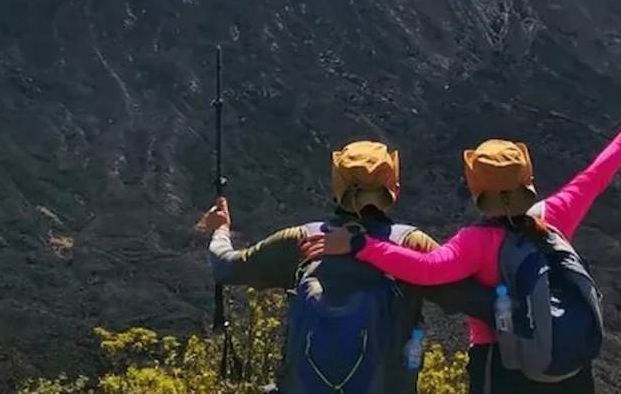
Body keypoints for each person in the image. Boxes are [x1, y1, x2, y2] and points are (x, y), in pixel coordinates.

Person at [301, 82, 621, 394]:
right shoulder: (553, 218)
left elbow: (426, 269)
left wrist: (358, 245)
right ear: (527, 179)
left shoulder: (475, 243)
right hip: (567, 364)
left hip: (501, 365)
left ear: (475, 186)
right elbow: (595, 177)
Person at [197, 139, 496, 394]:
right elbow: (477, 301)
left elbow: (225, 266)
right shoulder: (411, 246)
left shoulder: (300, 241)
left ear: (336, 186)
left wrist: (221, 229)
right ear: (394, 190)